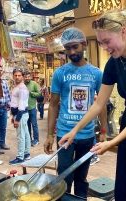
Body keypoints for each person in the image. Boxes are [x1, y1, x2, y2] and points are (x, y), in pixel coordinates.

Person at [57, 7, 126, 201]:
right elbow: (98, 104)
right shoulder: (112, 63)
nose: (105, 48)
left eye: (107, 41)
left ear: (123, 32)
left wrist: (112, 142)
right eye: (101, 43)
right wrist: (75, 130)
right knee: (123, 190)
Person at [43, 27, 106, 198]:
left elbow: (102, 104)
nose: (71, 52)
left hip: (87, 135)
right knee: (63, 176)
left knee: (81, 176)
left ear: (84, 45)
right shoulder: (60, 74)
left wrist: (103, 131)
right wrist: (50, 134)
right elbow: (54, 104)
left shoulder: (96, 73)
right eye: (67, 48)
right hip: (64, 135)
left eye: (75, 47)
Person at [9, 68, 31, 165]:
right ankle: (26, 153)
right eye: (15, 75)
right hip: (20, 114)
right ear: (13, 76)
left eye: (19, 75)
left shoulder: (22, 88)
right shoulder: (17, 87)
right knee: (25, 134)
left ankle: (20, 157)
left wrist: (17, 119)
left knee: (21, 136)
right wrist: (12, 115)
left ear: (22, 76)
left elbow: (21, 105)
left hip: (20, 114)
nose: (17, 77)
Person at [24, 71, 41, 146]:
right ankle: (29, 139)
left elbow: (39, 94)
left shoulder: (34, 84)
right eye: (25, 77)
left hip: (32, 108)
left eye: (28, 76)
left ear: (30, 76)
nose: (27, 78)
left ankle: (36, 139)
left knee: (34, 124)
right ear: (23, 77)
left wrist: (31, 93)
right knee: (27, 125)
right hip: (24, 109)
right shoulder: (22, 85)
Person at [90, 94, 107, 166]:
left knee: (91, 133)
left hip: (92, 113)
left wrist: (103, 131)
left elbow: (98, 98)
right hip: (88, 113)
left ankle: (94, 156)